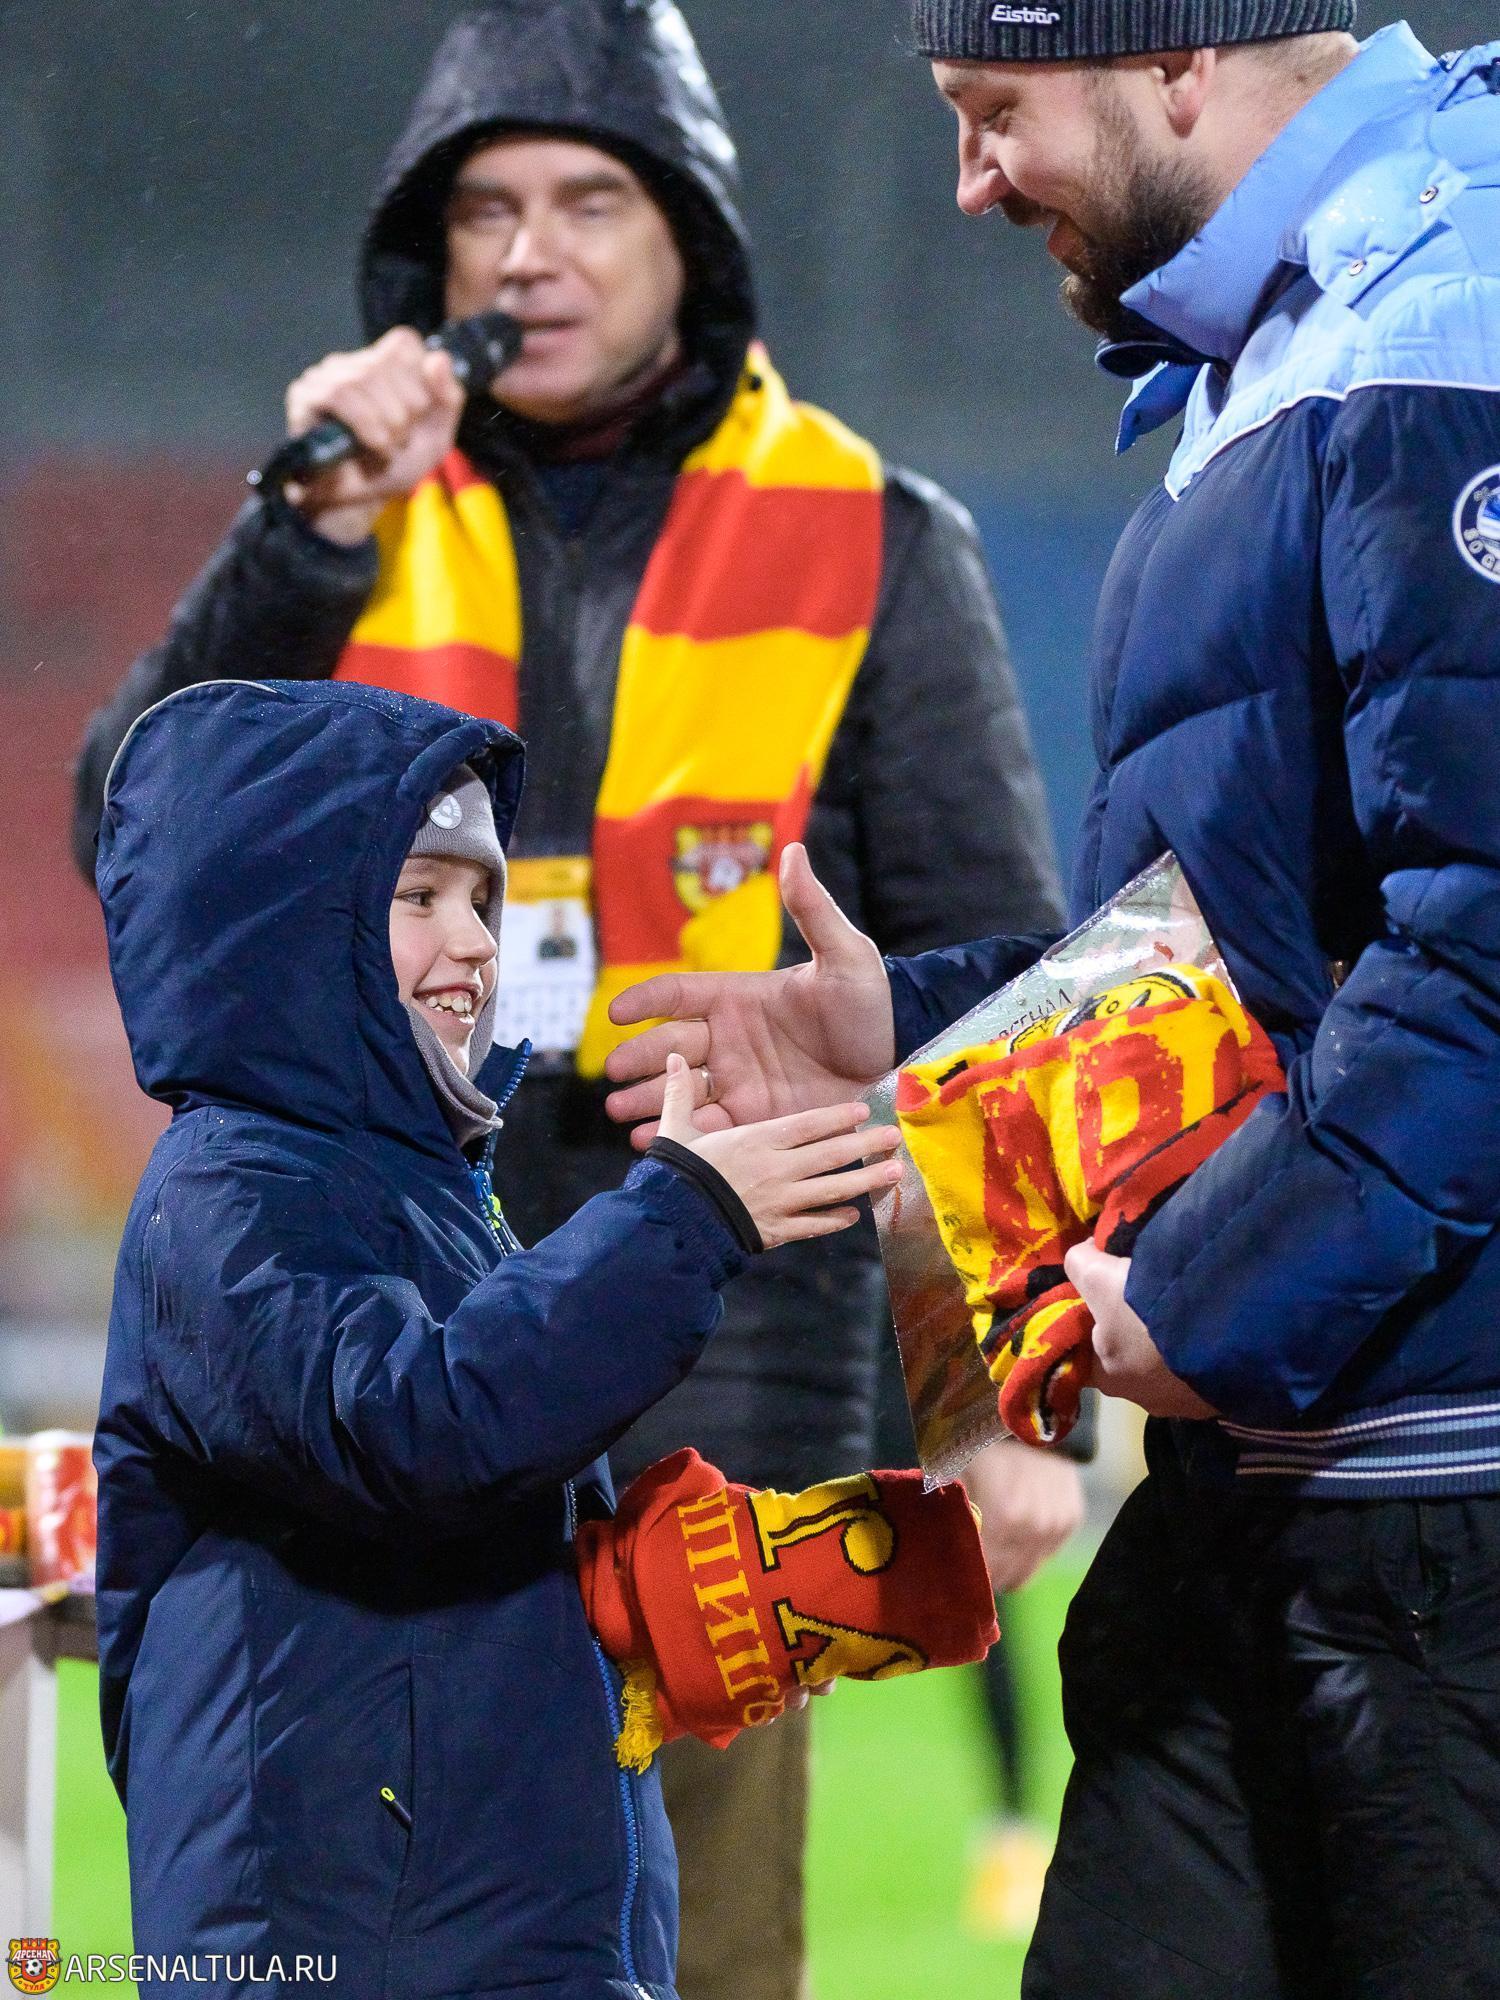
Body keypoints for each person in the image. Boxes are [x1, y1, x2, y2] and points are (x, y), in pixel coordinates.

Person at [70, 4, 1070, 1989]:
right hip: (370, 1374)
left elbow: (1000, 999)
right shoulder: (346, 531)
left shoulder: (878, 536)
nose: (528, 252)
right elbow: (134, 831)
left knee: (697, 1953)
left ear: (691, 234)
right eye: (485, 212)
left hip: (722, 1389)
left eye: (589, 201)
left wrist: (994, 1398)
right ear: (428, 263)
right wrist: (297, 534)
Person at [601, 1, 1500, 1989]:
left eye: (998, 110)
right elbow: (1243, 954)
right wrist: (909, 1036)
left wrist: (1209, 1292)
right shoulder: (1278, 349)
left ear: (1178, 58)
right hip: (1273, 1500)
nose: (970, 178)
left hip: (1445, 1521)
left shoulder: (1450, 323)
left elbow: (1486, 952)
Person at [92, 676, 903, 1996]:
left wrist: (629, 1591)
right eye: (419, 896)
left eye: (482, 897)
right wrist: (687, 1217)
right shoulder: (231, 1193)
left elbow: (438, 1529)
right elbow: (418, 1429)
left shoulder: (411, 1181)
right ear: (283, 924)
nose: (474, 942)